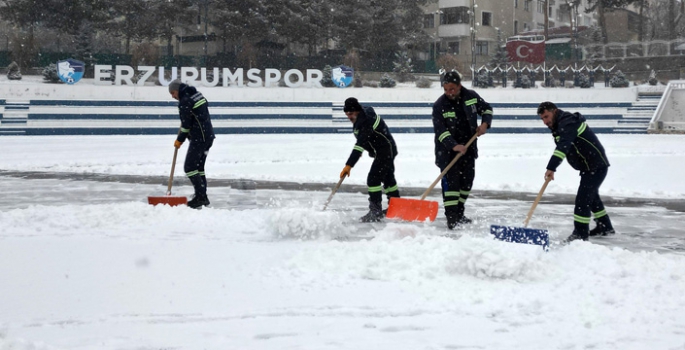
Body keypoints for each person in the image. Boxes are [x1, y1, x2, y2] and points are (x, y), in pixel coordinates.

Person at [537, 101, 616, 242]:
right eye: (542, 118)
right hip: (589, 166)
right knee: (591, 197)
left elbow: (563, 147)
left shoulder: (568, 123)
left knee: (583, 200)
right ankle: (605, 226)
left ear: (554, 111)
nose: (545, 121)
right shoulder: (560, 124)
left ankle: (580, 234)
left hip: (596, 166)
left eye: (546, 117)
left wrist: (551, 167)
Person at [432, 71, 492, 229]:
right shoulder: (440, 105)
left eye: (451, 89)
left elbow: (487, 109)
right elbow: (440, 130)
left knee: (466, 182)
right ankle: (451, 218)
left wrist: (485, 124)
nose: (448, 93)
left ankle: (459, 213)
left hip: (468, 148)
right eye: (445, 89)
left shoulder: (471, 96)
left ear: (459, 86)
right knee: (452, 185)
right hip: (447, 152)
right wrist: (453, 145)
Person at [339, 97, 400, 222]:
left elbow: (359, 145)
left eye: (350, 113)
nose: (348, 116)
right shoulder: (362, 115)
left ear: (357, 110)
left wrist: (349, 165)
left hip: (385, 150)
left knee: (373, 179)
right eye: (346, 114)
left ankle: (375, 211)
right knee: (388, 178)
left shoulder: (365, 121)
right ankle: (397, 206)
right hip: (385, 149)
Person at [168, 79, 215, 209]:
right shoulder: (196, 95)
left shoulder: (184, 102)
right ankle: (202, 195)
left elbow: (185, 127)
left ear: (178, 90)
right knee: (199, 168)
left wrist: (179, 140)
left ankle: (201, 197)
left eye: (173, 93)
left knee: (189, 168)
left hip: (199, 138)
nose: (172, 96)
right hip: (208, 136)